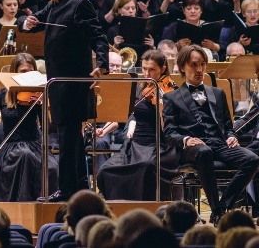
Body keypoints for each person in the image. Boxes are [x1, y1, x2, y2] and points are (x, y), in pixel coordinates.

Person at [19, 0, 109, 201]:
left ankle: (67, 190)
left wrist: (102, 63)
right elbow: (36, 18)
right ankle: (79, 188)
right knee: (72, 139)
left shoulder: (79, 3)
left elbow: (98, 35)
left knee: (68, 140)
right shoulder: (57, 2)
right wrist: (27, 23)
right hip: (59, 82)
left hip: (74, 83)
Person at [163, 44, 259, 224]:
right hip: (193, 148)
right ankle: (217, 210)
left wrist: (231, 136)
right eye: (193, 65)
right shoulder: (171, 98)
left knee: (252, 159)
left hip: (219, 143)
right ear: (183, 66)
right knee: (204, 151)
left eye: (202, 65)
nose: (199, 70)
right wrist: (186, 139)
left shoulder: (217, 93)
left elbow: (228, 125)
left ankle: (223, 207)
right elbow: (169, 133)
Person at [0, 52, 58, 201]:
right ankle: (23, 207)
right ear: (14, 73)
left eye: (31, 72)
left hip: (35, 145)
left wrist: (43, 105)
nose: (27, 75)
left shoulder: (37, 94)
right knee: (24, 156)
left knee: (52, 167)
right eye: (23, 72)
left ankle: (44, 207)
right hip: (11, 147)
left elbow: (46, 128)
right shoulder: (1, 95)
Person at [97, 49, 179, 200]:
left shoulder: (170, 91)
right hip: (134, 144)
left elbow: (170, 129)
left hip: (158, 145)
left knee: (144, 168)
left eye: (152, 70)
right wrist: (107, 128)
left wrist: (162, 109)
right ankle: (119, 208)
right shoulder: (141, 87)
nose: (147, 74)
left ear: (163, 68)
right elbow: (129, 112)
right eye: (144, 69)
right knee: (106, 170)